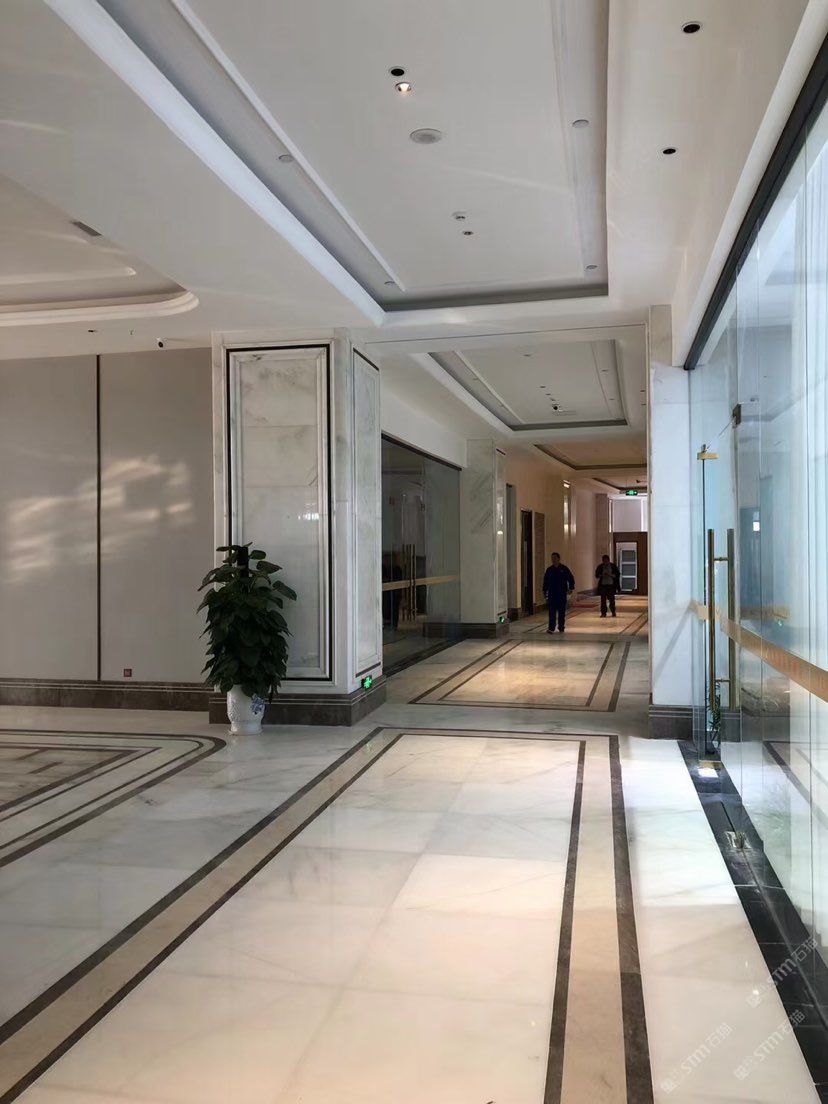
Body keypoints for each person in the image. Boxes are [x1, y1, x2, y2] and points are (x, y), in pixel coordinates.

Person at [543, 552, 575, 633]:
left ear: (558, 559)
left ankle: (561, 627)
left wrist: (571, 588)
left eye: (555, 558)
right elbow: (545, 582)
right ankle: (551, 628)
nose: (553, 560)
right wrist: (544, 591)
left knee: (561, 612)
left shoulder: (564, 569)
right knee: (552, 612)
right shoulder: (549, 570)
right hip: (552, 593)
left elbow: (570, 578)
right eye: (552, 558)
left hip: (561, 593)